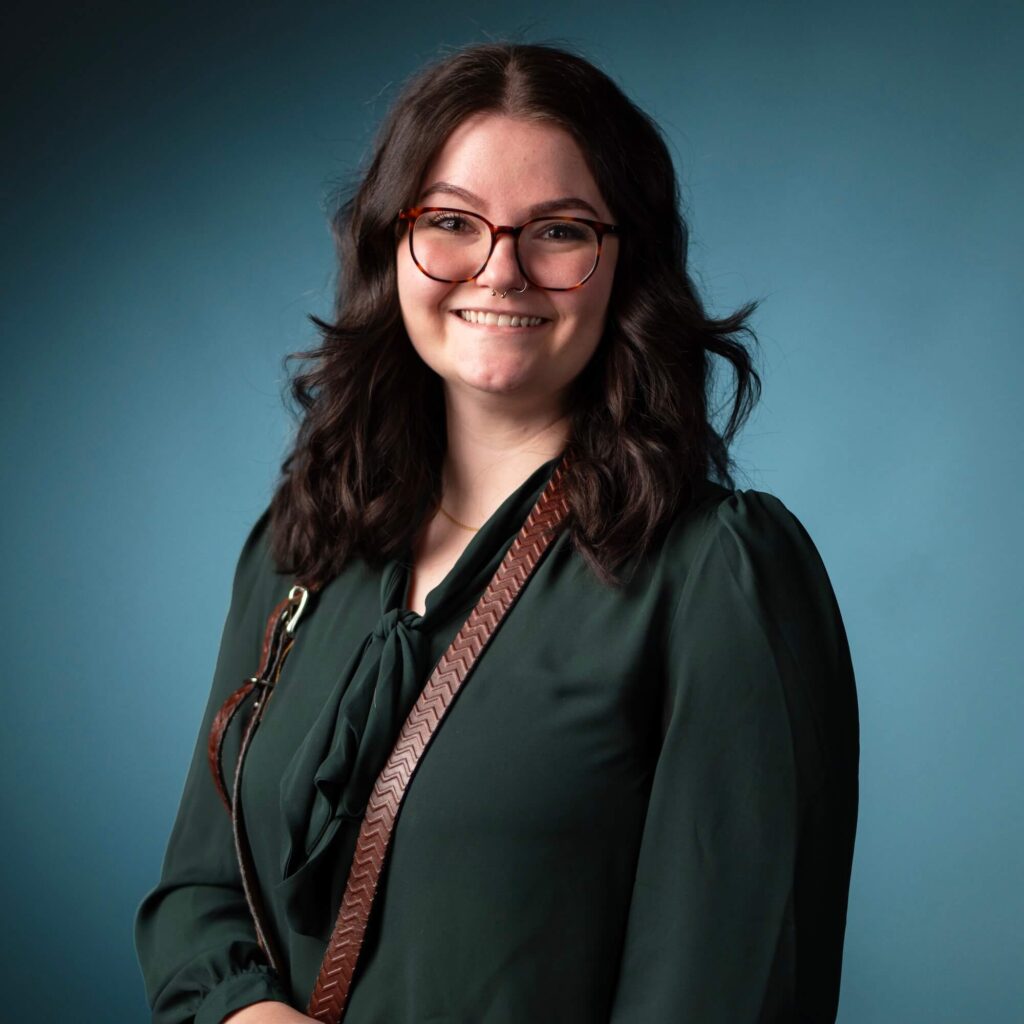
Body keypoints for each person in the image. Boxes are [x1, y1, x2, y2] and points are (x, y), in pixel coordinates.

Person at [133, 40, 859, 1024]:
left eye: (558, 230)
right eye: (452, 222)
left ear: (623, 261)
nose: (499, 270)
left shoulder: (719, 574)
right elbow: (197, 898)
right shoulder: (301, 547)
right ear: (393, 245)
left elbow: (731, 984)